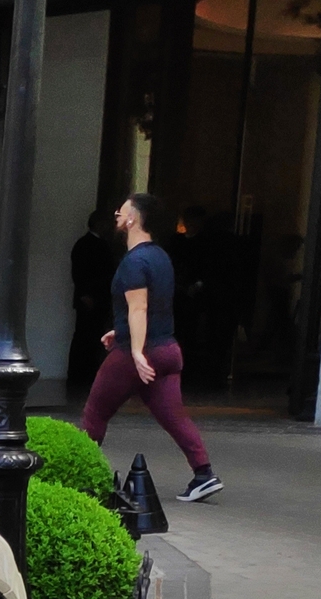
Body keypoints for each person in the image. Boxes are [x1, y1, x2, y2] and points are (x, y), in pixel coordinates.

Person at [79, 191, 221, 502]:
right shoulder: (160, 257)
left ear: (132, 219)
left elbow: (140, 308)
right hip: (168, 351)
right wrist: (119, 330)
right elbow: (153, 306)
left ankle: (78, 477)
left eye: (123, 210)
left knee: (95, 412)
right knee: (174, 417)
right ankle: (204, 473)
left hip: (140, 353)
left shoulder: (134, 261)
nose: (117, 212)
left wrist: (134, 351)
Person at [66, 209, 115, 397]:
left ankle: (87, 373)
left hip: (98, 298)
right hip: (89, 299)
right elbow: (79, 272)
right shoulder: (86, 244)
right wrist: (84, 294)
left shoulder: (94, 243)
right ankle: (80, 374)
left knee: (93, 336)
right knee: (84, 336)